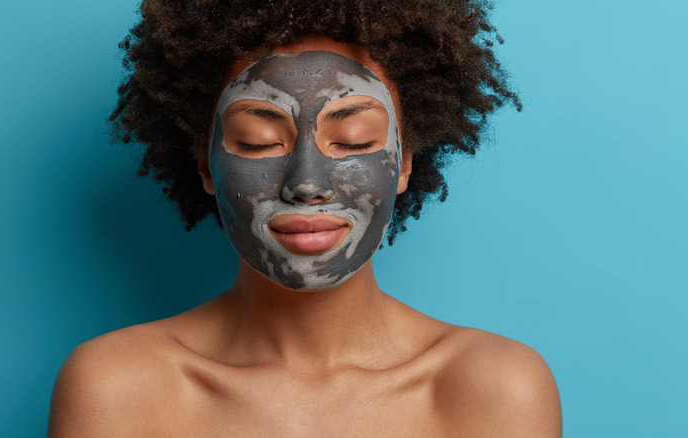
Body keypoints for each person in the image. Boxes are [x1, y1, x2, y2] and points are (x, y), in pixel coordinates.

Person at [49, 1, 562, 436]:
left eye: (355, 140)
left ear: (404, 163)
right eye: (257, 141)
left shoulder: (493, 389)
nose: (307, 184)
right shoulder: (117, 388)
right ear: (206, 165)